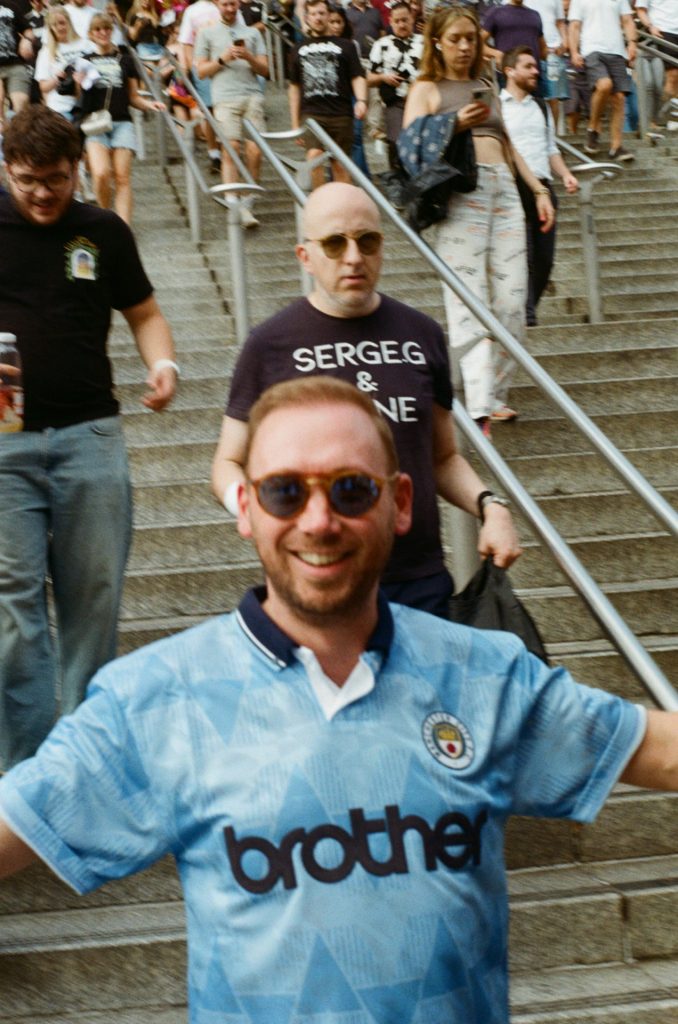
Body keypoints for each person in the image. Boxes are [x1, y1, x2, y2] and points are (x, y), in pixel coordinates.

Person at [2, 374, 678, 1024]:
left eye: (351, 490)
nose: (318, 520)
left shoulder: (486, 675)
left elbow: (657, 750)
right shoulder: (154, 698)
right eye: (284, 492)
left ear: (402, 502)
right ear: (245, 507)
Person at [212, 181, 522, 618]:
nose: (354, 257)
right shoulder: (270, 344)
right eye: (335, 244)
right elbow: (227, 462)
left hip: (418, 581)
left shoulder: (422, 334)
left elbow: (443, 457)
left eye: (368, 241)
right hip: (316, 577)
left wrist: (491, 506)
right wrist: (256, 516)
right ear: (306, 256)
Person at [0, 105, 177, 773]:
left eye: (56, 178)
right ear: (5, 170)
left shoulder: (102, 231)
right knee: (12, 609)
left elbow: (146, 313)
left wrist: (164, 365)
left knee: (94, 598)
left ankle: (81, 759)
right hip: (4, 446)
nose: (43, 192)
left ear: (78, 168)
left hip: (90, 436)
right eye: (26, 180)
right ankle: (23, 774)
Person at [402, 4, 554, 433]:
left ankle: (497, 393)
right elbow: (408, 151)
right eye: (456, 39)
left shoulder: (487, 82)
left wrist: (539, 190)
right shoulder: (426, 88)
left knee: (511, 301)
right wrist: (451, 125)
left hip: (504, 187)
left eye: (471, 38)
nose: (466, 47)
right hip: (459, 195)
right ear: (437, 42)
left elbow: (508, 145)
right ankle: (480, 407)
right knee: (468, 301)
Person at [501, 45, 578, 326]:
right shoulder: (497, 106)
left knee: (545, 258)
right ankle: (527, 316)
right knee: (526, 255)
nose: (536, 71)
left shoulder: (540, 106)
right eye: (529, 66)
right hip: (513, 188)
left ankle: (527, 307)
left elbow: (550, 148)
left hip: (544, 187)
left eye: (536, 66)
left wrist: (566, 174)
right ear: (510, 71)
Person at [80, 12, 167, 225]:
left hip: (122, 121)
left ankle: (124, 227)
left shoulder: (125, 60)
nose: (103, 33)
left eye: (107, 28)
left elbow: (133, 96)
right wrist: (76, 81)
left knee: (122, 177)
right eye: (98, 29)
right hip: (94, 122)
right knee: (100, 174)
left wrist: (150, 104)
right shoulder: (84, 60)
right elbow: (76, 95)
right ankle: (104, 217)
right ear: (91, 34)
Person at [195, 0, 268, 227]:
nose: (229, 8)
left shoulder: (253, 33)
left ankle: (249, 198)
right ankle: (233, 201)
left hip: (252, 95)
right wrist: (222, 59)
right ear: (218, 5)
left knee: (255, 151)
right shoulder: (206, 33)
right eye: (225, 4)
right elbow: (201, 72)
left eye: (233, 4)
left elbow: (266, 70)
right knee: (231, 148)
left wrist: (248, 57)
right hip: (224, 98)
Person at [288, 0, 368, 189]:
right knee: (313, 158)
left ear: (328, 16)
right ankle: (321, 206)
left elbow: (358, 76)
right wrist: (294, 123)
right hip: (312, 114)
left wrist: (362, 100)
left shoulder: (346, 46)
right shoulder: (297, 49)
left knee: (340, 165)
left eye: (322, 13)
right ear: (306, 18)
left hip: (341, 113)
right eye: (314, 14)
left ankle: (343, 211)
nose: (318, 17)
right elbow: (294, 87)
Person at [568, 0, 637, 160]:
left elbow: (627, 20)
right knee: (604, 85)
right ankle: (593, 127)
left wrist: (632, 43)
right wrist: (574, 51)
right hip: (592, 50)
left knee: (619, 98)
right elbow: (574, 26)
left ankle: (616, 146)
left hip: (617, 51)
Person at [368, 1, 423, 172]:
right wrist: (384, 77)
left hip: (421, 101)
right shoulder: (381, 44)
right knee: (396, 142)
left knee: (419, 143)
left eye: (405, 20)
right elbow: (369, 78)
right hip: (395, 101)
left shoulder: (425, 43)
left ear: (412, 19)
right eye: (397, 21)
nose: (401, 24)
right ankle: (397, 182)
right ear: (390, 21)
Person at [34, 6, 93, 119]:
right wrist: (56, 78)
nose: (60, 27)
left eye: (62, 23)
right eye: (54, 25)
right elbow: (43, 87)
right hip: (60, 109)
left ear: (69, 22)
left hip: (87, 104)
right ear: (50, 28)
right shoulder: (46, 52)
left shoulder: (85, 44)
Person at [482, 0, 546, 83]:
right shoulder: (496, 12)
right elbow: (478, 43)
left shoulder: (535, 15)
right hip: (508, 76)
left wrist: (554, 53)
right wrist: (495, 54)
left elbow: (543, 49)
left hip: (533, 77)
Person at [636, 0, 678, 119]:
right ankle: (661, 116)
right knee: (672, 75)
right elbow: (640, 9)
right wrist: (650, 27)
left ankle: (669, 113)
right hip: (663, 31)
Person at [0, 0, 35, 132]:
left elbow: (28, 31)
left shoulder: (11, 6)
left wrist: (27, 41)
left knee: (21, 104)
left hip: (14, 63)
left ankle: (20, 137)